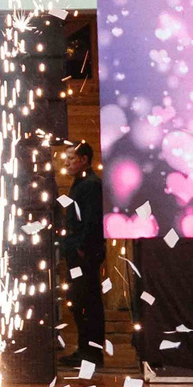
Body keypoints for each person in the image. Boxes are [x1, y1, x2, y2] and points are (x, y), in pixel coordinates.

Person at [60, 139, 107, 372]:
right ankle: (85, 350)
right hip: (78, 252)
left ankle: (91, 352)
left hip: (84, 254)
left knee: (86, 300)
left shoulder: (90, 185)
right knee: (80, 301)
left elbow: (92, 220)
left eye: (71, 159)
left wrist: (82, 247)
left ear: (84, 160)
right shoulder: (80, 184)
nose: (67, 163)